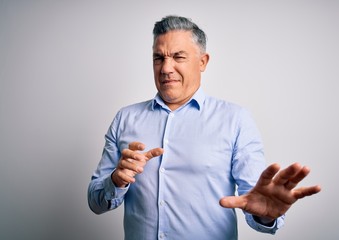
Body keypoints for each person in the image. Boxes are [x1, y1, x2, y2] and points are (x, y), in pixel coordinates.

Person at [87, 15, 321, 240]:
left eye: (178, 57)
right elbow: (95, 202)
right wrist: (117, 181)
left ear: (202, 62)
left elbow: (256, 199)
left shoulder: (235, 120)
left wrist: (265, 216)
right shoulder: (125, 119)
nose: (166, 68)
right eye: (159, 58)